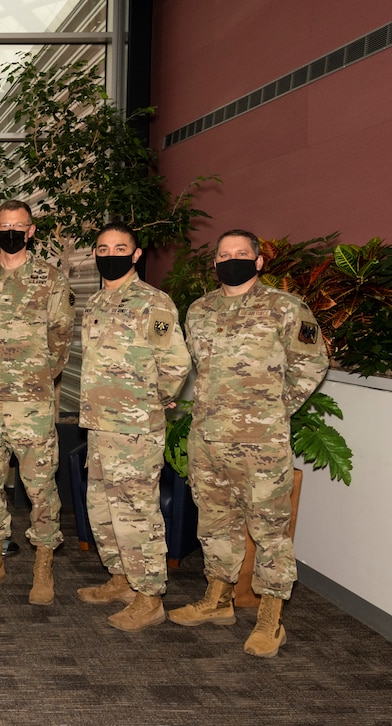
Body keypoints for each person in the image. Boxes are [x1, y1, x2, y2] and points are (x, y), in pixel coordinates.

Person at [168, 228, 328, 658]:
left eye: (241, 254)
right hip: (208, 439)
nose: (230, 259)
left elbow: (312, 365)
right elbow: (196, 368)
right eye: (224, 254)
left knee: (270, 530)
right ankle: (217, 600)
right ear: (215, 263)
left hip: (262, 443)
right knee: (215, 521)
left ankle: (270, 618)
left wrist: (274, 411)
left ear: (258, 262)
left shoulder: (285, 308)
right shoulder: (198, 310)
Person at [75, 222, 191, 631]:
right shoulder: (95, 304)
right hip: (99, 426)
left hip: (134, 430)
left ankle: (149, 596)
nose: (111, 254)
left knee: (136, 512)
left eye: (120, 247)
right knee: (103, 508)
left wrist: (148, 404)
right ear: (95, 254)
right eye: (103, 248)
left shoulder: (152, 303)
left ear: (136, 254)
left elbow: (176, 364)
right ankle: (121, 579)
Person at [0, 200, 74, 605]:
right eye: (4, 225)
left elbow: (61, 334)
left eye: (18, 226)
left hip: (32, 404)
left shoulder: (50, 278)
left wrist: (39, 374)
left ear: (31, 231)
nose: (11, 231)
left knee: (40, 487)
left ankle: (43, 566)